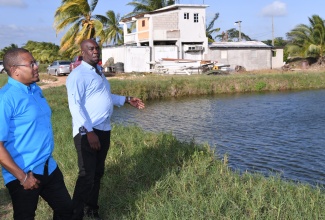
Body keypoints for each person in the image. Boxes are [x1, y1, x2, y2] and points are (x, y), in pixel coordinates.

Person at [66, 39, 145, 220]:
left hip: (103, 129)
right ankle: (75, 215)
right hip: (87, 131)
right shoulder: (77, 75)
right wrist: (89, 131)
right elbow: (75, 106)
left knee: (98, 173)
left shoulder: (98, 72)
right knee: (86, 175)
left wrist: (126, 99)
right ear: (82, 52)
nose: (95, 51)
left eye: (97, 48)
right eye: (91, 49)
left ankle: (92, 210)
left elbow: (104, 96)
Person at [0, 48, 72, 220]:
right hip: (23, 172)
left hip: (48, 167)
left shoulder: (35, 90)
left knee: (68, 211)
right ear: (15, 70)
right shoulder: (5, 98)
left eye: (35, 62)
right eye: (31, 64)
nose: (36, 67)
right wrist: (23, 177)